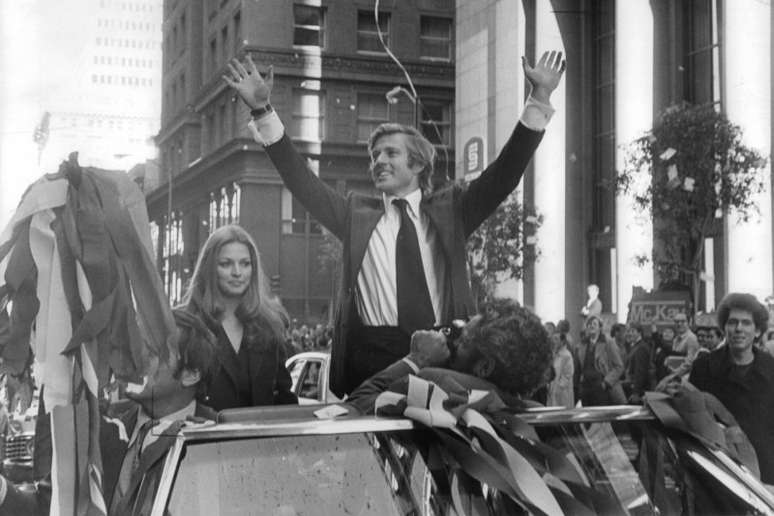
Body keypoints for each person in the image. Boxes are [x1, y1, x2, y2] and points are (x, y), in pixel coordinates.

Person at [224, 51, 565, 397]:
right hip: (372, 364)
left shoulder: (453, 211)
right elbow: (300, 180)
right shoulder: (354, 216)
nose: (378, 162)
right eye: (374, 156)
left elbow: (504, 174)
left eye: (390, 153)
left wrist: (539, 99)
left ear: (417, 164)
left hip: (442, 359)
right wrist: (263, 111)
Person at [0, 309, 219, 515]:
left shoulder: (218, 441)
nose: (134, 360)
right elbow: (50, 508)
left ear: (191, 374)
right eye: (134, 348)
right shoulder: (100, 426)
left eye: (151, 353)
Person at [348, 306, 553, 414]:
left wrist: (418, 358)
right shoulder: (526, 410)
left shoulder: (435, 384)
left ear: (484, 367)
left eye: (463, 342)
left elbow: (357, 406)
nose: (452, 345)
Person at [181, 224, 297, 410]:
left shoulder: (269, 324)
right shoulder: (187, 326)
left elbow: (284, 397)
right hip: (204, 436)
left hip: (260, 437)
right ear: (209, 268)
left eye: (245, 263)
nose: (237, 272)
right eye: (225, 264)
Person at [690, 292, 774, 484]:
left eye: (746, 323)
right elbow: (692, 422)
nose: (738, 329)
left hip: (764, 475)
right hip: (718, 472)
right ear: (724, 327)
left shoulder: (772, 370)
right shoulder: (704, 368)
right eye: (732, 322)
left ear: (758, 331)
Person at [574, 315, 625, 406]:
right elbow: (577, 370)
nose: (591, 326)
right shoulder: (581, 345)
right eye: (589, 324)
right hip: (586, 388)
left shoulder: (608, 343)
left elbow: (619, 366)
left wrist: (606, 383)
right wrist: (577, 388)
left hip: (601, 387)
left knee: (601, 417)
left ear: (600, 328)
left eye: (594, 324)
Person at [623, 322, 651, 404]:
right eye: (628, 331)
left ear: (640, 333)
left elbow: (640, 372)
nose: (629, 334)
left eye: (632, 331)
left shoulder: (641, 347)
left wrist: (636, 393)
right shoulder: (634, 346)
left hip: (639, 391)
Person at [547, 329, 574, 408]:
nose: (554, 341)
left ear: (562, 341)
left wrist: (558, 387)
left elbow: (567, 375)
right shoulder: (553, 354)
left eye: (556, 339)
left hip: (562, 394)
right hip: (551, 392)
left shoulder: (567, 355)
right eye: (553, 338)